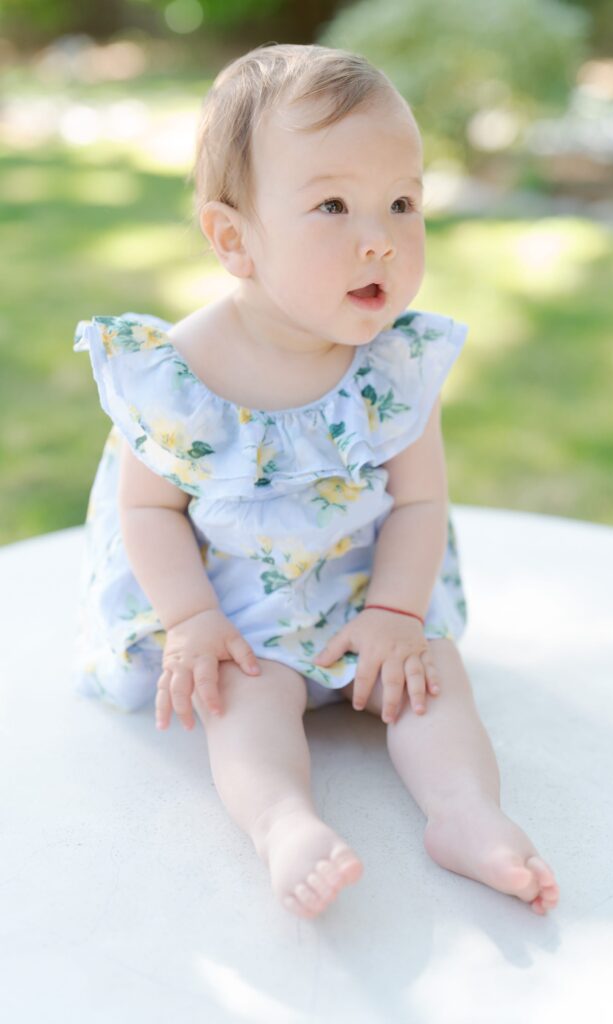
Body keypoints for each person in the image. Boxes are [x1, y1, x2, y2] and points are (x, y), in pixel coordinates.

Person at [73, 42, 559, 920]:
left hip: (370, 603)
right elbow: (144, 508)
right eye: (331, 204)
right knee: (247, 709)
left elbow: (418, 501)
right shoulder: (181, 374)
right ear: (233, 239)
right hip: (243, 621)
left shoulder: (396, 365)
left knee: (432, 681)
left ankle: (467, 814)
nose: (379, 236)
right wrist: (193, 621)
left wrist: (397, 616)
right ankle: (283, 823)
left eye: (402, 203)